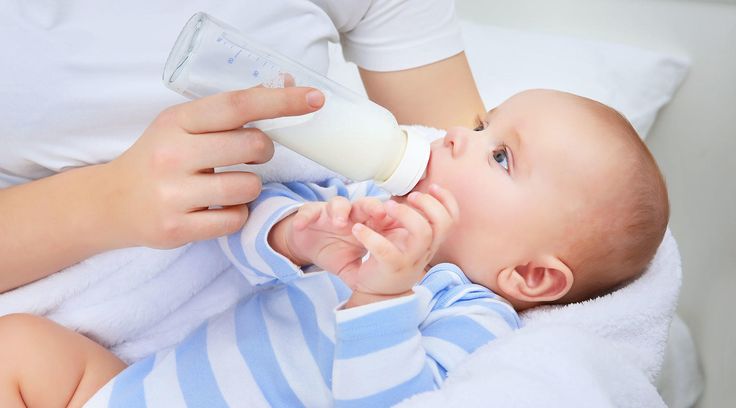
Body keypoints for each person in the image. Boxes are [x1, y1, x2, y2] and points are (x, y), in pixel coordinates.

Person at [0, 89, 670, 407]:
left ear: (529, 274)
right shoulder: (364, 197)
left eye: (500, 155)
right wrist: (296, 235)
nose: (458, 137)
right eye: (480, 121)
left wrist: (383, 294)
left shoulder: (468, 315)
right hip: (127, 392)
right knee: (20, 347)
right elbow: (244, 229)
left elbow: (392, 398)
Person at [0, 0, 485, 356]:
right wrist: (105, 202)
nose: (460, 137)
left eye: (492, 143)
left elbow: (499, 223)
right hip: (64, 322)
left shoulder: (466, 308)